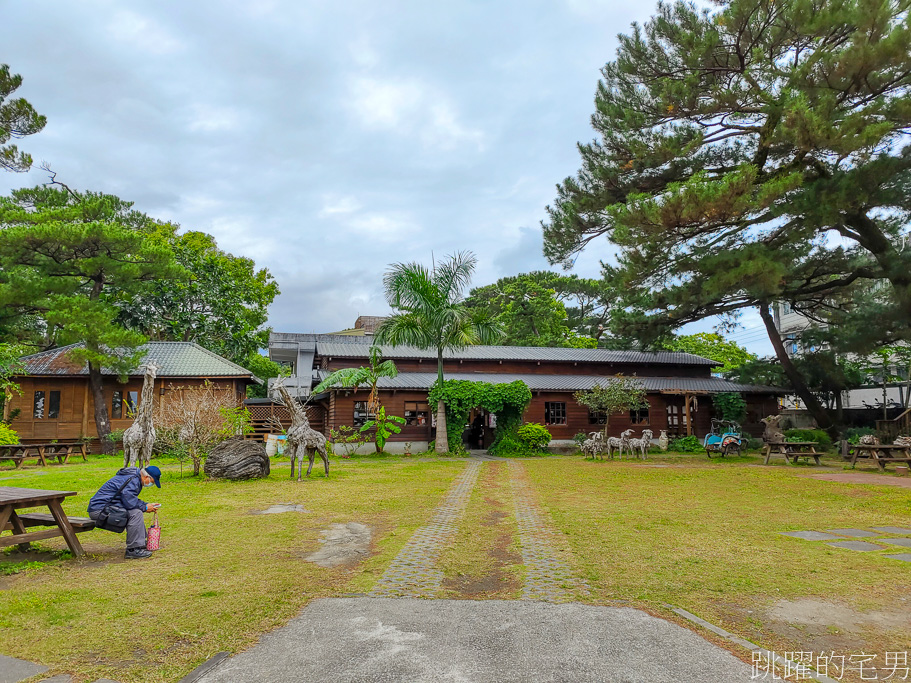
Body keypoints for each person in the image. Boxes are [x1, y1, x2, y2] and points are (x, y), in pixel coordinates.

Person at [88, 465, 161, 559]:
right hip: (100, 510)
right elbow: (129, 502)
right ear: (147, 477)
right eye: (152, 482)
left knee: (136, 511)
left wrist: (146, 504)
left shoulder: (133, 477)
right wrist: (145, 507)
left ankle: (141, 543)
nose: (151, 484)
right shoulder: (133, 480)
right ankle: (133, 549)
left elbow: (129, 499)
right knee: (136, 513)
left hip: (105, 507)